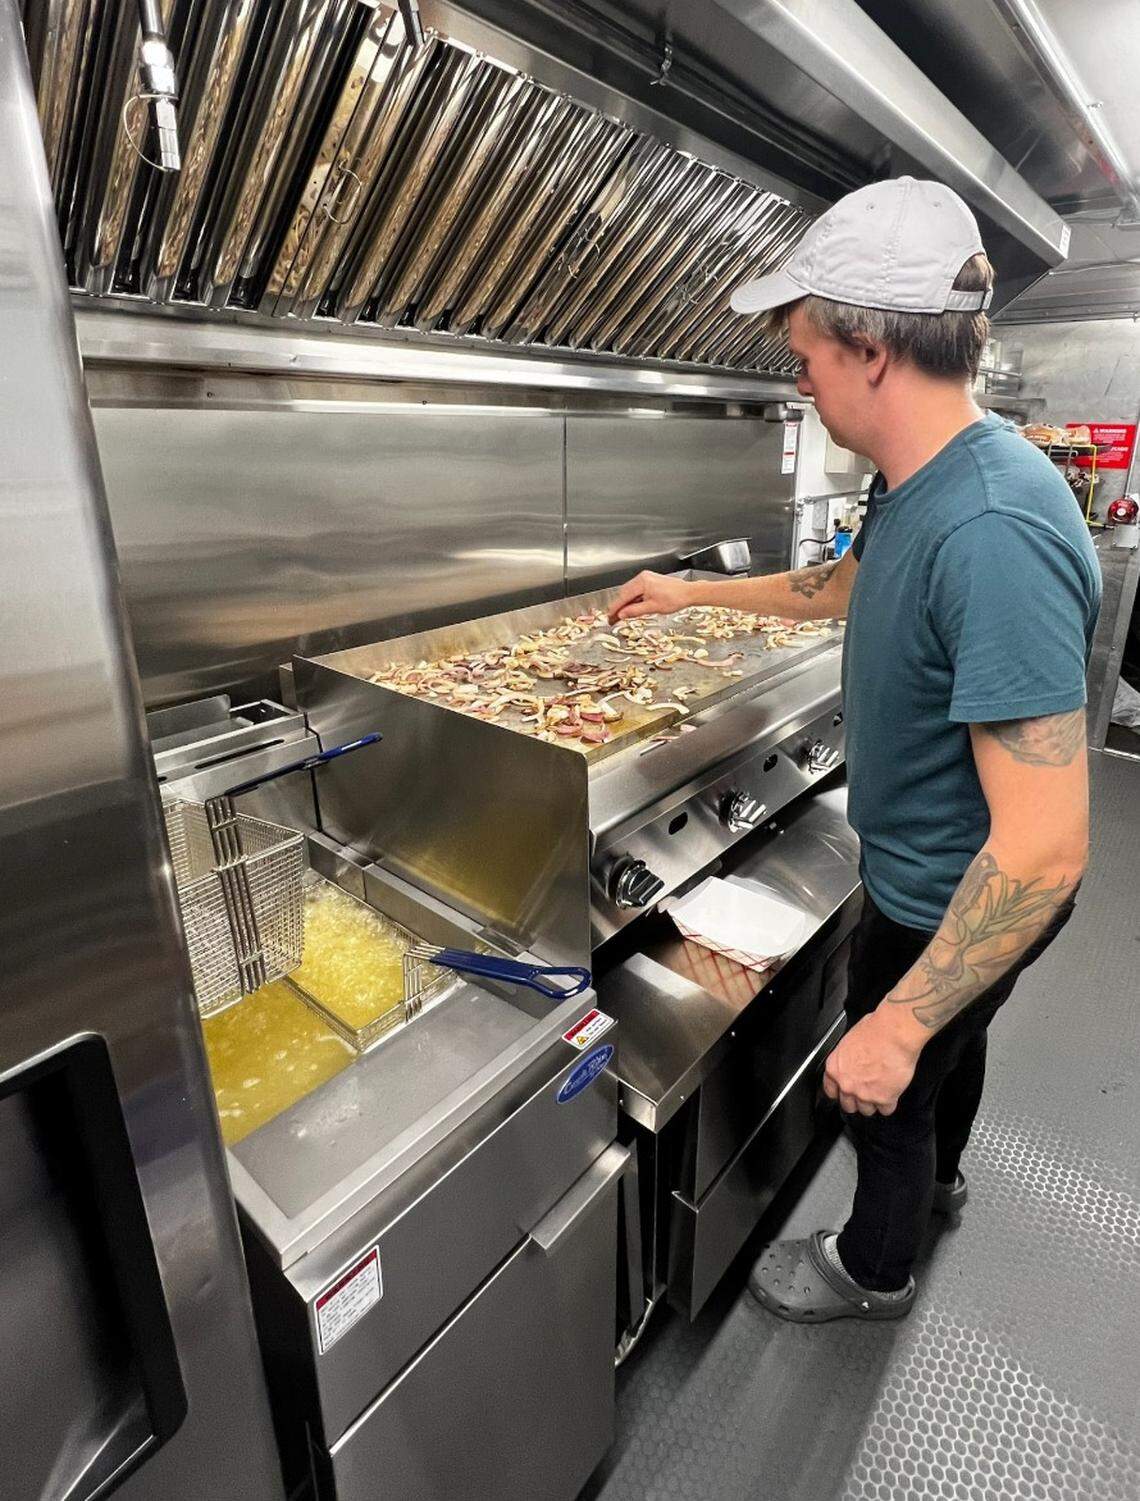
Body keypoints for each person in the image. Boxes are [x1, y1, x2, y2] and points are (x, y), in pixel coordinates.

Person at [608, 177, 1100, 1322]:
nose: (801, 378)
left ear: (871, 347)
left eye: (808, 353)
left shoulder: (995, 528)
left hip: (960, 891)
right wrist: (695, 592)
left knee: (891, 1092)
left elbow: (1042, 854)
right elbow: (843, 586)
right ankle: (940, 1183)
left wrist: (896, 1021)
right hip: (925, 870)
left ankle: (871, 1269)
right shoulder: (921, 487)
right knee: (945, 1060)